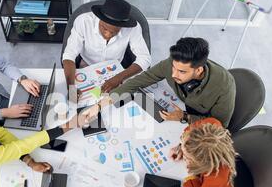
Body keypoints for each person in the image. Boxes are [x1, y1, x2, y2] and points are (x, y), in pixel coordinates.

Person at [82, 37, 236, 128]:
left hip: (195, 124)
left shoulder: (224, 86)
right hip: (176, 111)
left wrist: (185, 117)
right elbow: (138, 81)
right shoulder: (172, 64)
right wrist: (99, 105)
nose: (173, 74)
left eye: (182, 72)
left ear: (199, 70)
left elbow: (220, 125)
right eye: (174, 68)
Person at [62, 0, 151, 94]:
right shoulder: (83, 21)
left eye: (114, 32)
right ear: (99, 18)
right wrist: (71, 88)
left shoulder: (133, 28)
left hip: (115, 69)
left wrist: (119, 77)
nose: (107, 34)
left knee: (114, 103)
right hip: (87, 65)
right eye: (104, 28)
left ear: (122, 26)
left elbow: (145, 58)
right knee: (83, 101)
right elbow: (69, 54)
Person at [169, 117, 237, 187]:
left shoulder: (216, 175)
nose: (184, 157)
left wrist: (191, 175)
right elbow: (189, 131)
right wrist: (181, 146)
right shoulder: (211, 124)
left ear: (201, 165)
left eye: (187, 158)